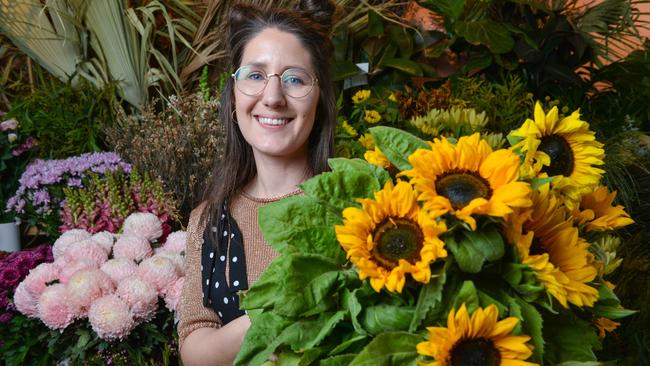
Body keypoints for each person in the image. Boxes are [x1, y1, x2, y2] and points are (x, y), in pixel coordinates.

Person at [178, 1, 336, 364]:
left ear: (320, 99)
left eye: (295, 78)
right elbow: (194, 349)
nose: (273, 97)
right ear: (233, 96)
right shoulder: (210, 220)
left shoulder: (355, 208)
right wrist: (272, 315)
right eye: (255, 75)